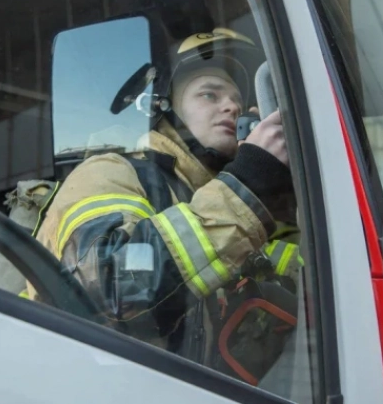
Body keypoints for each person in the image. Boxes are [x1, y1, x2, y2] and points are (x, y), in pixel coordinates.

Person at [25, 27, 302, 384]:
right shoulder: (111, 171)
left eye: (236, 99)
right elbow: (110, 292)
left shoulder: (206, 196)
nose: (232, 106)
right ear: (163, 107)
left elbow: (291, 270)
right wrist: (248, 183)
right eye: (209, 94)